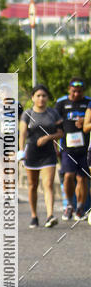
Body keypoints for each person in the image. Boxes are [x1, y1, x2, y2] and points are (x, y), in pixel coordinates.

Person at [19, 85, 63, 228]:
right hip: (32, 152)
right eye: (38, 95)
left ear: (47, 98)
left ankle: (50, 215)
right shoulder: (28, 113)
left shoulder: (53, 113)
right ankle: (34, 215)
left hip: (49, 153)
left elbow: (61, 133)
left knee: (48, 184)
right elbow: (23, 133)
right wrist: (21, 151)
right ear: (33, 98)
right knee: (33, 185)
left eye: (44, 96)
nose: (41, 98)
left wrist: (48, 137)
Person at [53, 78, 91, 220]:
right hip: (67, 148)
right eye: (74, 91)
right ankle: (69, 205)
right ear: (69, 89)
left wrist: (85, 121)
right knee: (68, 176)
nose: (76, 94)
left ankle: (80, 208)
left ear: (83, 91)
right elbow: (55, 125)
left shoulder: (88, 102)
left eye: (80, 92)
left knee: (82, 179)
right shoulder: (61, 102)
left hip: (84, 148)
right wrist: (55, 145)